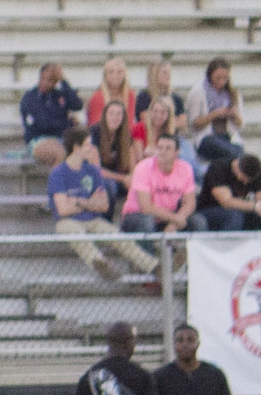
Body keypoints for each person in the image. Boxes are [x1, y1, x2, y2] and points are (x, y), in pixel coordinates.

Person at [50, 136, 154, 279]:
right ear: (76, 148)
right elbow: (63, 210)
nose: (93, 149)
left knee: (119, 237)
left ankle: (154, 267)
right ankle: (101, 264)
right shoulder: (58, 173)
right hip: (67, 221)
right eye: (88, 145)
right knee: (75, 233)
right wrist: (89, 202)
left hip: (93, 219)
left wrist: (78, 202)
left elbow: (104, 205)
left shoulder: (92, 170)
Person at [121, 133, 198, 240]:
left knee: (198, 222)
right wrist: (174, 219)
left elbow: (190, 202)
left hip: (167, 216)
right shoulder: (143, 168)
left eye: (168, 148)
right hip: (136, 215)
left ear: (177, 152)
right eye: (160, 148)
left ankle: (187, 256)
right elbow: (145, 207)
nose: (162, 152)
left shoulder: (185, 169)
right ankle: (147, 257)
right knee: (147, 222)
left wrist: (175, 222)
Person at [193, 151, 261, 233]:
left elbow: (260, 197)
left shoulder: (257, 174)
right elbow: (226, 202)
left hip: (239, 210)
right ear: (237, 168)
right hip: (210, 209)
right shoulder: (219, 167)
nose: (245, 183)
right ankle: (227, 245)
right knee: (234, 216)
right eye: (244, 178)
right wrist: (255, 206)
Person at [185, 58, 247, 165]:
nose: (222, 81)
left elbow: (240, 125)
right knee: (233, 155)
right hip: (207, 137)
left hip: (229, 136)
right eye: (218, 77)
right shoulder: (198, 92)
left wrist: (234, 114)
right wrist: (213, 115)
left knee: (240, 156)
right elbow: (193, 124)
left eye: (225, 78)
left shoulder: (233, 93)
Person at [19, 62, 82, 163]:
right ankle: (56, 179)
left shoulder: (58, 95)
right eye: (42, 78)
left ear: (56, 82)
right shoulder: (30, 97)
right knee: (60, 153)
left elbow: (77, 105)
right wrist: (69, 122)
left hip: (61, 138)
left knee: (86, 151)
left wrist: (64, 81)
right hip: (38, 140)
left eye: (50, 80)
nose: (44, 82)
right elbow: (44, 124)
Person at [93, 96, 140, 194]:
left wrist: (131, 178)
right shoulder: (95, 133)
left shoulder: (125, 135)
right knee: (110, 186)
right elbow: (96, 169)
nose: (115, 117)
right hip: (99, 178)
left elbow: (133, 166)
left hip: (120, 177)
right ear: (104, 115)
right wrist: (123, 178)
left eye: (119, 114)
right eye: (111, 113)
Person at [85, 57, 131, 127]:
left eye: (119, 72)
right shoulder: (97, 97)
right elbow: (95, 125)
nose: (115, 75)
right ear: (105, 75)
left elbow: (129, 123)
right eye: (111, 72)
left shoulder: (130, 95)